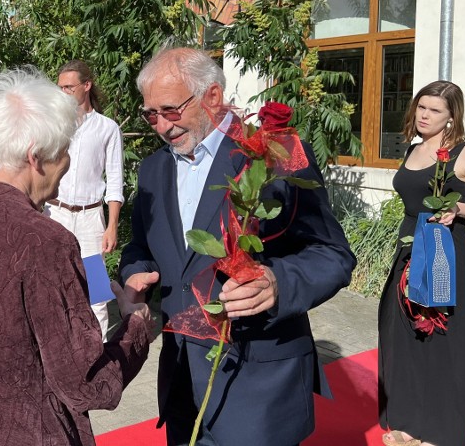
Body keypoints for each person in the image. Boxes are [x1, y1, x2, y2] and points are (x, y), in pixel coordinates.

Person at [120, 47, 355, 446]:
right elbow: (140, 245)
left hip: (259, 387)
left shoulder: (277, 151)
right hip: (180, 383)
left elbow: (332, 253)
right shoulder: (153, 169)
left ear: (212, 96)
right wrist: (132, 272)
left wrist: (278, 282)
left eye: (170, 110)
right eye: (150, 115)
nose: (160, 126)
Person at [0, 67, 153, 446]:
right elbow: (86, 384)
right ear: (36, 157)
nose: (67, 163)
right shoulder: (46, 241)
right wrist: (135, 324)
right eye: (63, 153)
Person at [378, 80, 465, 446]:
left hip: (446, 254)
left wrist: (458, 209)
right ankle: (407, 424)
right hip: (408, 250)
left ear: (451, 117)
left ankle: (440, 434)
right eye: (421, 106)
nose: (424, 114)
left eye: (435, 110)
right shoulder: (413, 150)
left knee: (444, 344)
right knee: (402, 336)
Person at [46, 60, 124, 339]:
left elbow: (115, 181)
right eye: (61, 88)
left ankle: (99, 349)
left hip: (91, 219)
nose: (63, 92)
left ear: (86, 86)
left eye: (69, 87)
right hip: (55, 215)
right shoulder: (54, 126)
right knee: (53, 282)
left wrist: (112, 225)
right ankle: (59, 346)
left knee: (97, 292)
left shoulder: (107, 128)